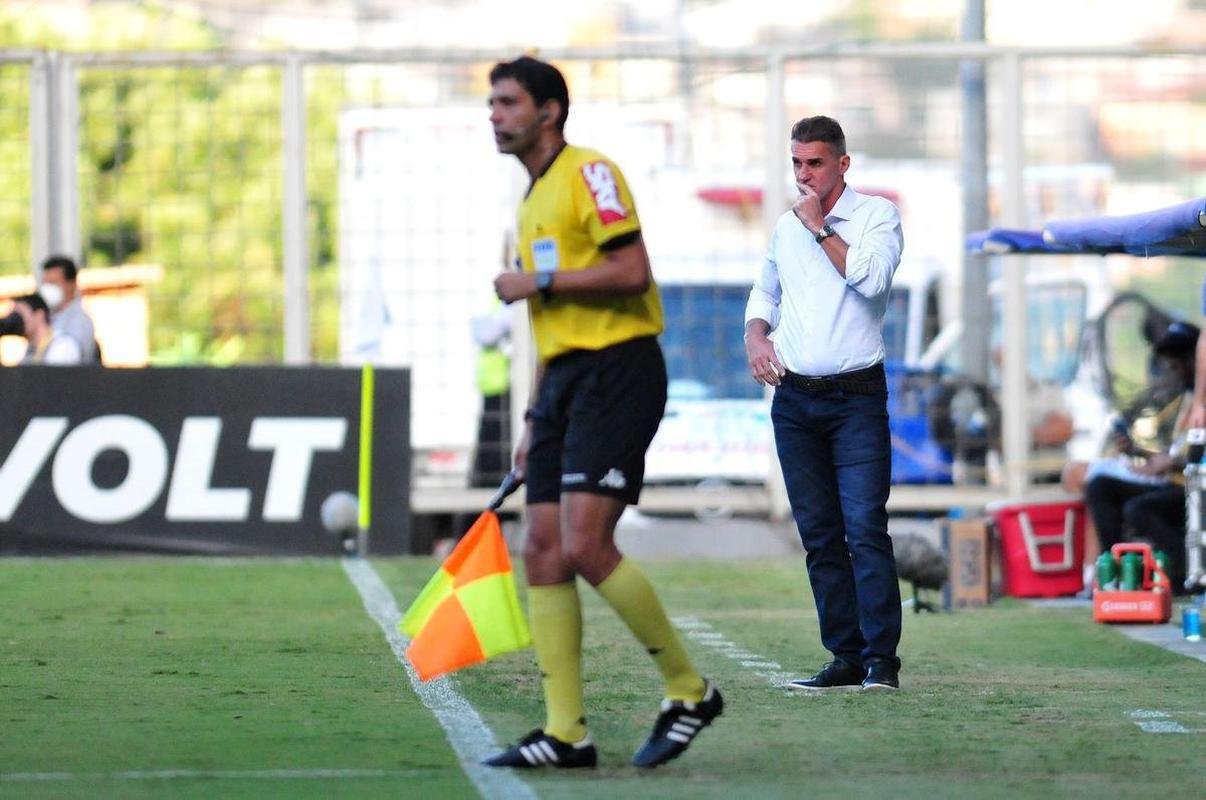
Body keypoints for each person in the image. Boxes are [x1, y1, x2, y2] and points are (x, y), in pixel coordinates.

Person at [481, 56, 721, 771]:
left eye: (507, 102)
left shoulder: (591, 173)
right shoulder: (528, 201)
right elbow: (552, 324)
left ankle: (689, 690)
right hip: (564, 382)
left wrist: (540, 278)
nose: (494, 114)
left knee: (585, 543)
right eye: (490, 103)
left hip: (620, 367)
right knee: (543, 548)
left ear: (549, 110)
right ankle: (566, 734)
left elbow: (632, 272)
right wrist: (532, 420)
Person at [743, 115, 904, 692]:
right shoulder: (786, 227)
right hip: (795, 400)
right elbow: (766, 290)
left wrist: (819, 228)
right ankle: (846, 654)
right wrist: (756, 335)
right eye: (796, 163)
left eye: (814, 162)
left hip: (856, 397)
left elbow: (872, 280)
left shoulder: (876, 216)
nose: (804, 174)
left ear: (842, 163)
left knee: (864, 527)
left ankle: (882, 660)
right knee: (818, 533)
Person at [1080, 321, 1199, 591]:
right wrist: (1137, 452)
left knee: (1139, 509)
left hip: (1194, 487)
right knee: (1100, 486)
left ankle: (1184, 575)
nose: (1171, 371)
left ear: (1195, 359)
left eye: (1175, 363)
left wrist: (1174, 462)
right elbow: (1177, 453)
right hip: (1175, 481)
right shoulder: (1189, 400)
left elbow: (1186, 458)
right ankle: (1113, 573)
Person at [39, 254, 98, 363]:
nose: (48, 288)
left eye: (53, 283)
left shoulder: (79, 321)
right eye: (45, 283)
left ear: (72, 284)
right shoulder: (48, 317)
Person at [9, 292, 83, 365]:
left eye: (20, 314)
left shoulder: (63, 345)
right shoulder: (30, 350)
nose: (16, 320)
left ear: (39, 315)